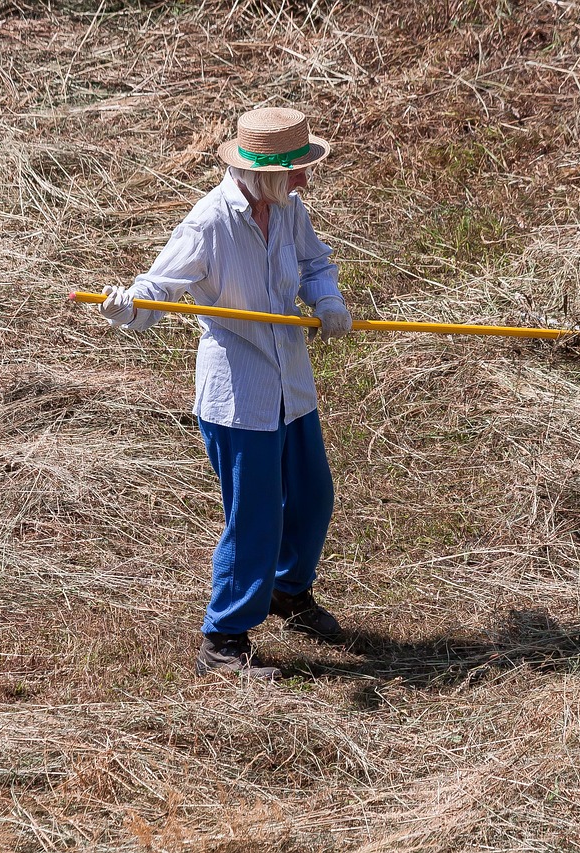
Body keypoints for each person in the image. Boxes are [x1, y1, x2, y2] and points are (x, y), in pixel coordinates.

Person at [94, 107, 353, 679]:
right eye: (297, 170)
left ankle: (288, 591)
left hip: (290, 381)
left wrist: (327, 301)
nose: (306, 180)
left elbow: (314, 264)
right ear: (266, 175)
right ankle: (225, 638)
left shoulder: (287, 209)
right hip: (240, 394)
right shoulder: (209, 222)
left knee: (312, 496)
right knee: (254, 514)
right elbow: (161, 287)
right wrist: (127, 306)